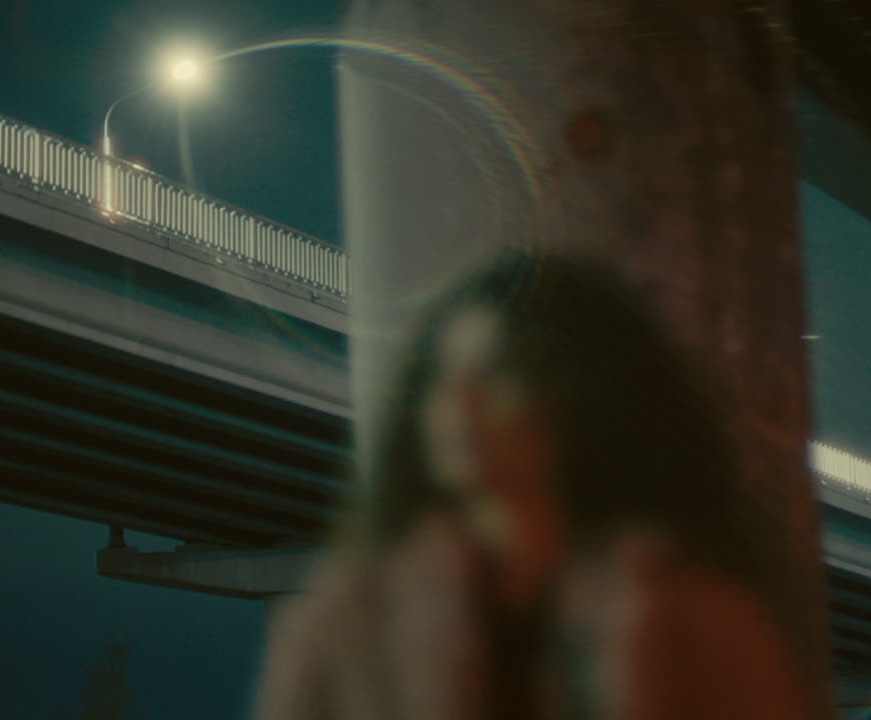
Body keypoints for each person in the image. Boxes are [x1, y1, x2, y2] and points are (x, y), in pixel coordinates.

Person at [256, 249, 809, 720]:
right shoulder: (349, 623)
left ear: (579, 396)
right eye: (443, 376)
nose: (460, 405)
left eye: (499, 373)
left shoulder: (700, 623)